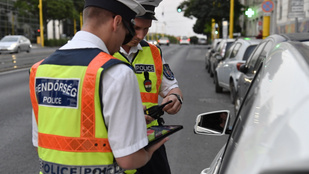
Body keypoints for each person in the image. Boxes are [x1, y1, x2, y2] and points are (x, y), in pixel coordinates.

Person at [29, 0, 168, 173]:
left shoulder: (39, 69)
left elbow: (41, 144)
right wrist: (149, 152)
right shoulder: (117, 72)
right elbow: (128, 159)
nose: (123, 42)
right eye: (127, 32)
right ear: (116, 22)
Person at [113, 0, 183, 173]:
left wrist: (175, 98)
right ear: (121, 21)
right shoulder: (104, 51)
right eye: (136, 28)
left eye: (146, 29)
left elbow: (172, 87)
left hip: (150, 138)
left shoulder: (154, 52)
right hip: (115, 141)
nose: (141, 35)